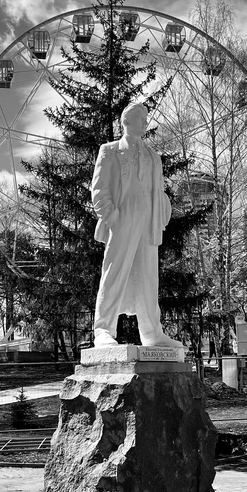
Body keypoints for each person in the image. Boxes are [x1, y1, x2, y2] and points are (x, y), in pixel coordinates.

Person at [91, 101, 182, 348]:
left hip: (148, 220)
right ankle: (103, 330)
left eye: (145, 119)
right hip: (122, 219)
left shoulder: (153, 157)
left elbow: (158, 191)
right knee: (114, 272)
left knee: (148, 276)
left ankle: (152, 333)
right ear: (126, 121)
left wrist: (162, 211)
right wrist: (112, 217)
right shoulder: (109, 151)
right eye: (141, 119)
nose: (145, 123)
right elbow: (99, 190)